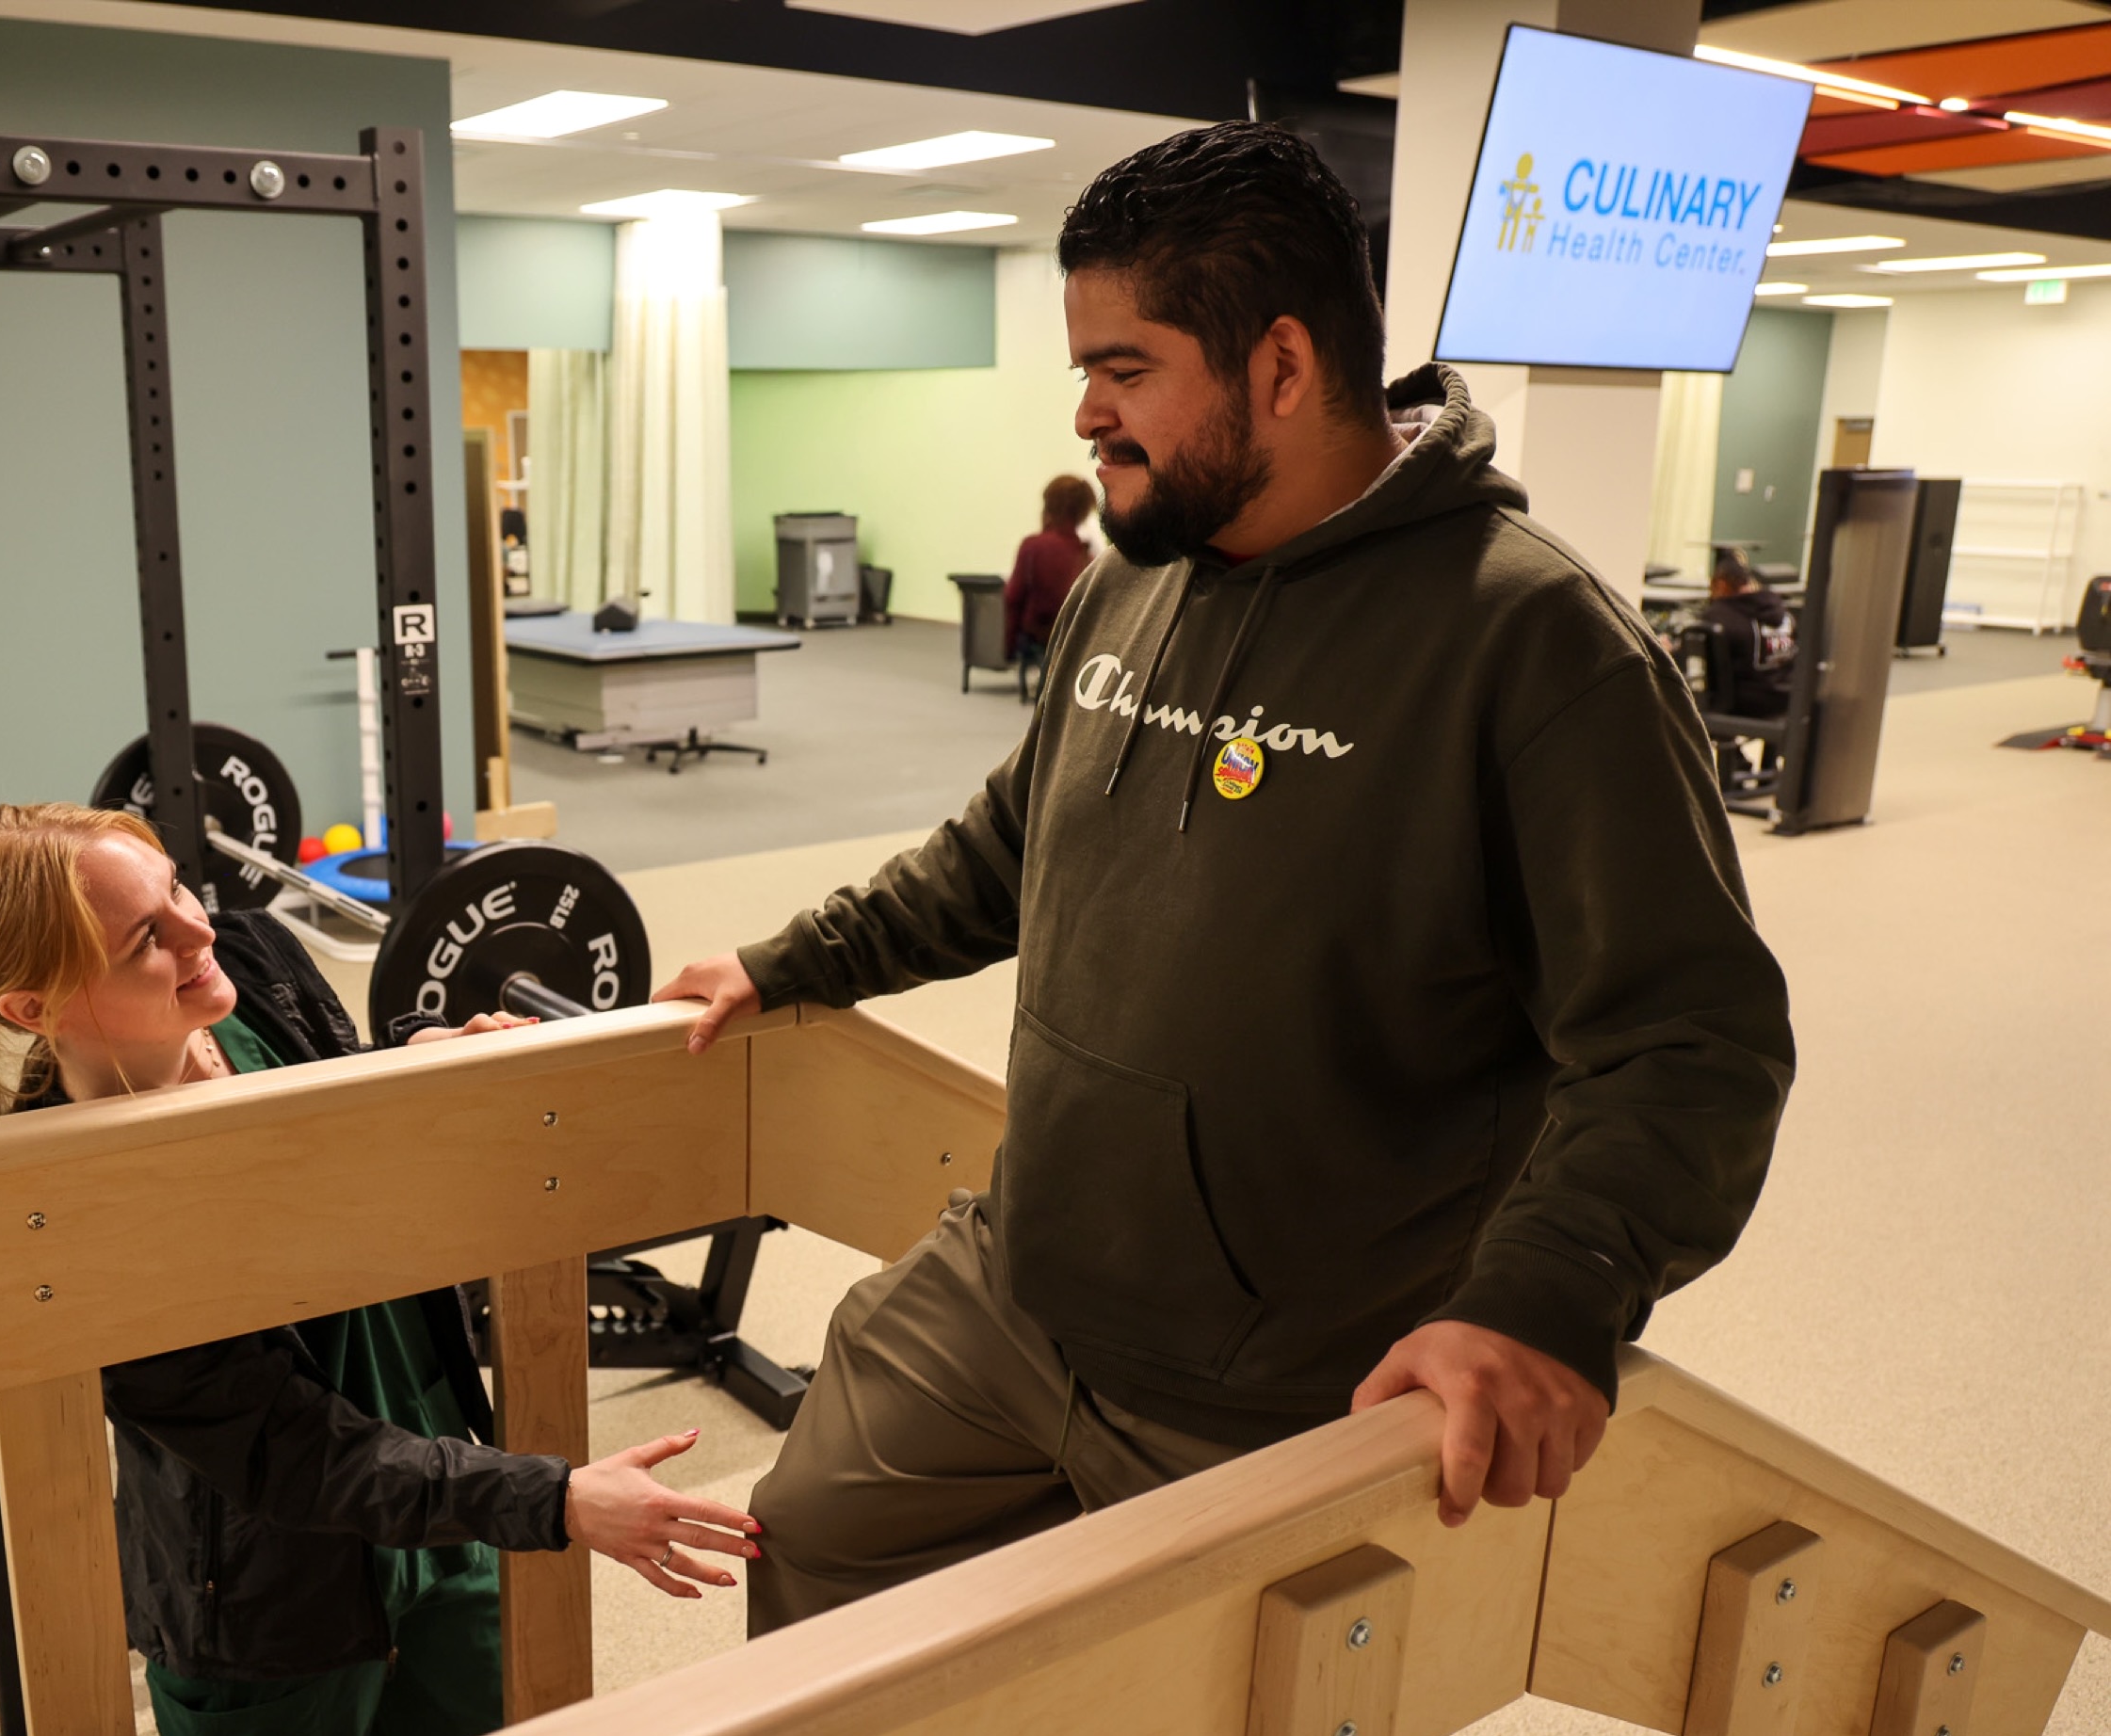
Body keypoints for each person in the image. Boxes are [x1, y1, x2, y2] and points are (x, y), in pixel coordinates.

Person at [654, 122, 1796, 1639]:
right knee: (808, 1539)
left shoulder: (1538, 644)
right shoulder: (1133, 574)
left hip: (1280, 1379)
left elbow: (1691, 1046)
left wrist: (1547, 1296)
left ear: (1281, 366)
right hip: (1023, 1282)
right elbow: (1009, 845)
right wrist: (792, 959)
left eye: (1124, 370)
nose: (1086, 412)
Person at [0, 802, 759, 1736]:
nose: (197, 928)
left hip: (444, 1520)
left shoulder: (250, 966)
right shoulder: (68, 1212)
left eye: (177, 889)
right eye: (145, 940)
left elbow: (337, 1076)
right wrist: (558, 1498)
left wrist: (418, 1058)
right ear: (32, 1007)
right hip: (267, 1609)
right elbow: (296, 1452)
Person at [1002, 474, 1099, 667]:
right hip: (1074, 639)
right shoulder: (1086, 556)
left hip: (1038, 637)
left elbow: (1013, 599)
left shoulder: (1032, 546)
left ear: (1049, 506)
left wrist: (1008, 648)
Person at [1702, 547, 1795, 716]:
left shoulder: (1719, 615)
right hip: (1787, 703)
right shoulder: (1784, 612)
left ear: (1721, 585)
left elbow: (1700, 659)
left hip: (1743, 708)